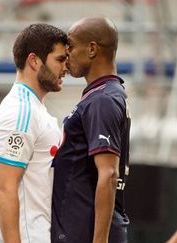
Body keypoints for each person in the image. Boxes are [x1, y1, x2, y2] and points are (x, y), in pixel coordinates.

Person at [0, 23, 68, 243]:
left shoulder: (33, 108)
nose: (66, 67)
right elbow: (4, 190)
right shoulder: (22, 111)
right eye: (59, 59)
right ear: (34, 61)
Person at [51, 16, 131, 243]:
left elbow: (109, 173)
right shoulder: (102, 95)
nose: (67, 54)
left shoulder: (103, 100)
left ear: (92, 49)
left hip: (86, 235)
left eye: (72, 46)